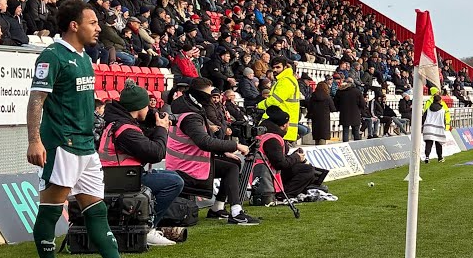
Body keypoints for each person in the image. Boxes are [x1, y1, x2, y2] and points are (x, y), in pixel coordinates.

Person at [25, 0, 157, 258]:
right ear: (75, 25)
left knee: (96, 212)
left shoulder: (84, 57)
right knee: (49, 212)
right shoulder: (52, 56)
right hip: (62, 146)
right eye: (93, 23)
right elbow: (36, 100)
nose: (98, 28)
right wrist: (35, 140)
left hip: (86, 147)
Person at [98, 83, 184, 247]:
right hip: (121, 180)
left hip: (120, 175)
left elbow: (143, 142)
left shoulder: (118, 121)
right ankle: (147, 228)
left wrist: (154, 121)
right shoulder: (125, 130)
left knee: (173, 176)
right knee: (174, 182)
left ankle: (148, 224)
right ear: (138, 107)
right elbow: (155, 154)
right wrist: (161, 129)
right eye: (147, 106)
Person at [167, 77, 260, 225]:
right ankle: (235, 212)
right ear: (200, 94)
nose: (212, 98)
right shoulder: (190, 117)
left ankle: (218, 208)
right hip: (186, 167)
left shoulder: (190, 109)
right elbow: (205, 142)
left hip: (188, 161)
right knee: (231, 167)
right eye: (209, 94)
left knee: (233, 164)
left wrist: (224, 152)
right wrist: (235, 146)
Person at [251, 106, 328, 200]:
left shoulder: (267, 135)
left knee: (306, 170)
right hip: (268, 174)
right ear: (284, 125)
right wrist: (296, 157)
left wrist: (294, 156)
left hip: (265, 172)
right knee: (307, 170)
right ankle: (285, 194)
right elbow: (280, 164)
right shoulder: (273, 139)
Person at [258, 57, 302, 142]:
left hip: (282, 127)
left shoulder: (286, 81)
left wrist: (259, 106)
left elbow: (275, 100)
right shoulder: (284, 79)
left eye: (278, 67)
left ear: (285, 67)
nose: (275, 70)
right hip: (282, 126)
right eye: (273, 67)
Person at [422, 91, 452, 163]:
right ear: (440, 101)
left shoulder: (428, 109)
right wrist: (445, 126)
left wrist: (422, 125)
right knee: (438, 144)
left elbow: (423, 118)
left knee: (429, 143)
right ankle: (440, 157)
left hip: (428, 127)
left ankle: (427, 157)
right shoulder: (442, 110)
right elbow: (444, 120)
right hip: (438, 128)